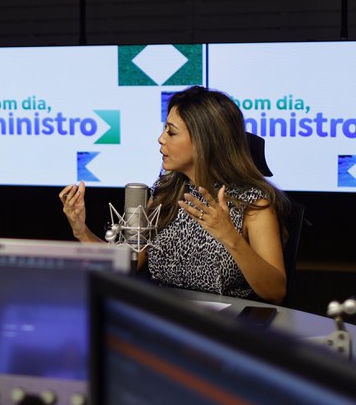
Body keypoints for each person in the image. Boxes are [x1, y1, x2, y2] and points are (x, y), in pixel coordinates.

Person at [59, 86, 289, 304]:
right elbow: (127, 264)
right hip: (166, 321)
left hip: (226, 331)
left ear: (204, 141)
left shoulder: (252, 204)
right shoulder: (165, 192)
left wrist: (229, 236)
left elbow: (275, 292)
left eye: (171, 132)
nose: (161, 139)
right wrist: (81, 231)